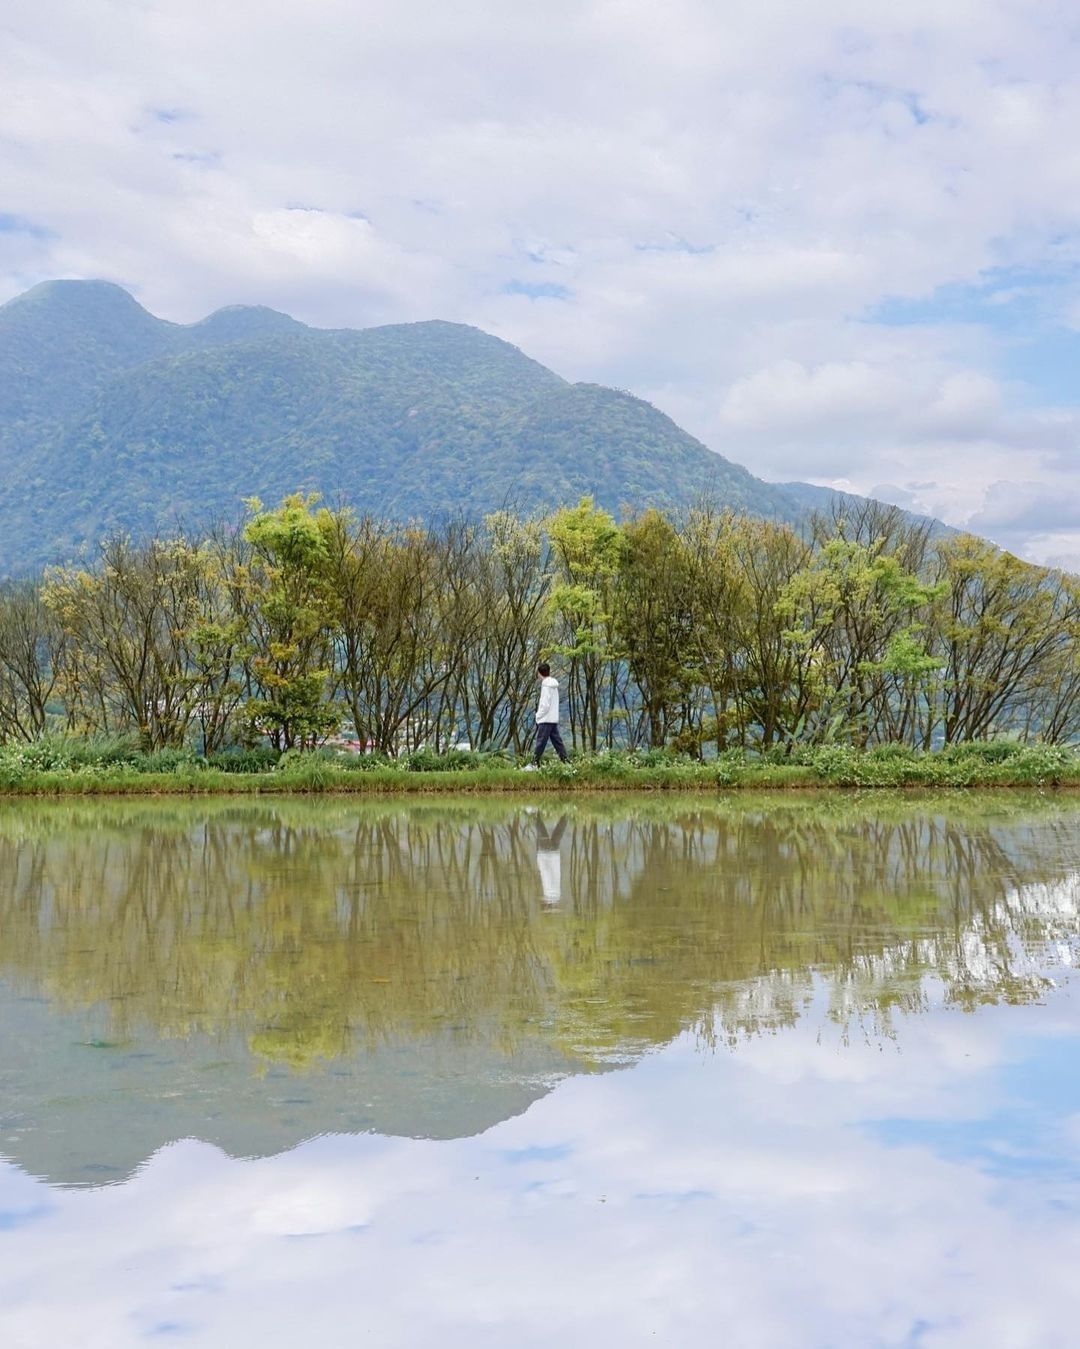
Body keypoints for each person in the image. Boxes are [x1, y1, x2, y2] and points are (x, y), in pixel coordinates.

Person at [523, 662, 569, 769]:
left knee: (540, 742)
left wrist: (538, 715)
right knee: (558, 743)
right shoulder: (553, 685)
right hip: (553, 719)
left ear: (539, 673)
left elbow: (545, 705)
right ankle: (566, 763)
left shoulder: (546, 686)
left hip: (545, 719)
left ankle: (534, 764)